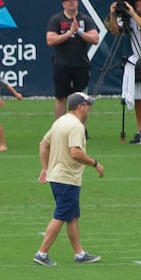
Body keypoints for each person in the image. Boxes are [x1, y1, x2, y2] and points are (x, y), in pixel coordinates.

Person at [33, 91, 103, 266]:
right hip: (67, 178)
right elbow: (76, 152)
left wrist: (45, 168)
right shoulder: (76, 126)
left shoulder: (60, 121)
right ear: (80, 106)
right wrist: (95, 164)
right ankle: (42, 253)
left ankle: (79, 254)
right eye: (88, 105)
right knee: (61, 215)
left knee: (72, 216)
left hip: (57, 176)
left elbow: (43, 144)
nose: (90, 108)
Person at [45, 0, 99, 118]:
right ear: (63, 3)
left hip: (81, 64)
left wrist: (79, 32)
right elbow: (50, 40)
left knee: (81, 98)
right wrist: (69, 33)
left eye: (73, 0)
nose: (71, 2)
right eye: (68, 0)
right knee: (61, 97)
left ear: (77, 2)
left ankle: (81, 129)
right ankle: (60, 127)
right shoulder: (56, 19)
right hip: (62, 64)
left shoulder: (85, 19)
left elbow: (95, 39)